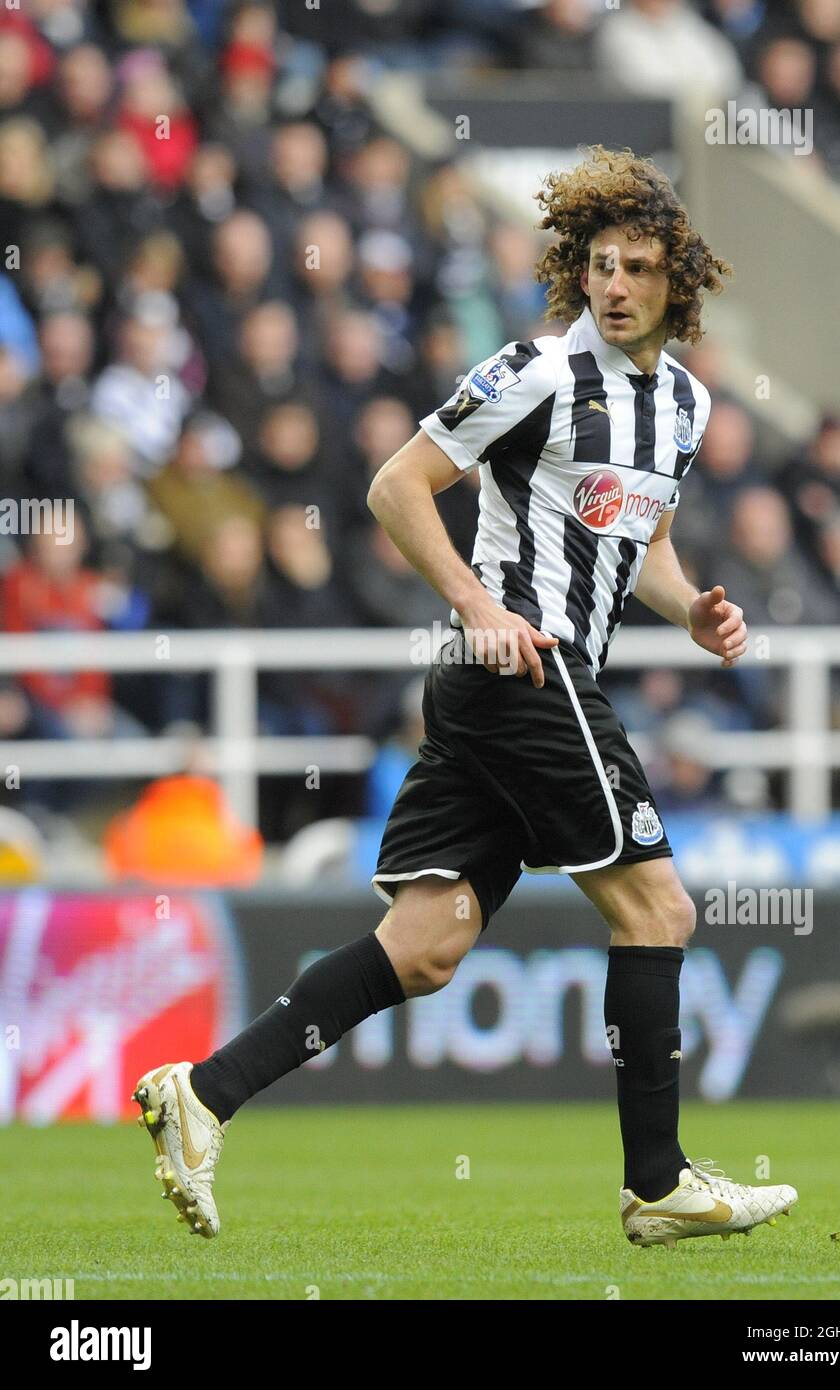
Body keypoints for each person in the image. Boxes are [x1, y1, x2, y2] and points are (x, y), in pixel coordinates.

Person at [133, 146, 797, 1248]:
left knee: (430, 941)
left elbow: (649, 547)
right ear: (577, 272)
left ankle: (201, 1094)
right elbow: (396, 485)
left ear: (677, 282)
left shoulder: (681, 402)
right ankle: (658, 1179)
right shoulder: (536, 370)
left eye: (637, 267)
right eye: (600, 265)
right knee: (660, 909)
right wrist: (478, 605)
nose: (616, 284)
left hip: (517, 687)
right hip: (522, 671)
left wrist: (695, 611)